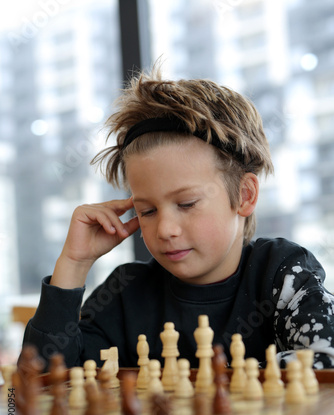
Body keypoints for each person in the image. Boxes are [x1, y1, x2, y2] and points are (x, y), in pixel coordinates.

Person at [22, 67, 334, 369]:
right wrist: (74, 264)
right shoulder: (125, 293)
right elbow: (46, 383)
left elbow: (325, 360)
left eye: (186, 203)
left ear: (245, 195)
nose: (165, 230)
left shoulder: (283, 273)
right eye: (147, 211)